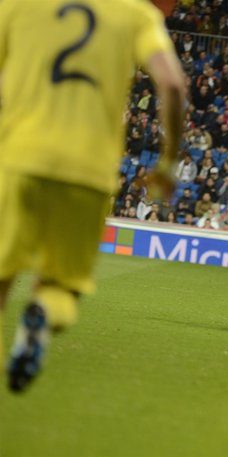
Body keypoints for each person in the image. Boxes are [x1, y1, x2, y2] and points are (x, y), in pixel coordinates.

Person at [0, 0, 185, 392]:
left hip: (18, 158)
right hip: (89, 172)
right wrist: (168, 163)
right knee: (60, 286)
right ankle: (43, 312)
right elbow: (171, 83)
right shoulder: (137, 15)